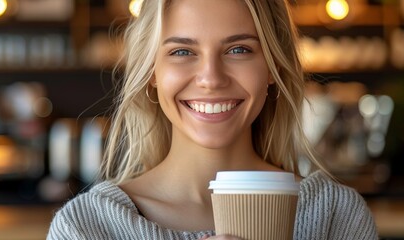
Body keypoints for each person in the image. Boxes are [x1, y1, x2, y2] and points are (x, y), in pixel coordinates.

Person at [47, 0, 378, 239]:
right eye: (182, 52)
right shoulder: (86, 227)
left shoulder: (335, 216)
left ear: (273, 67)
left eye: (238, 50)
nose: (211, 78)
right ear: (151, 71)